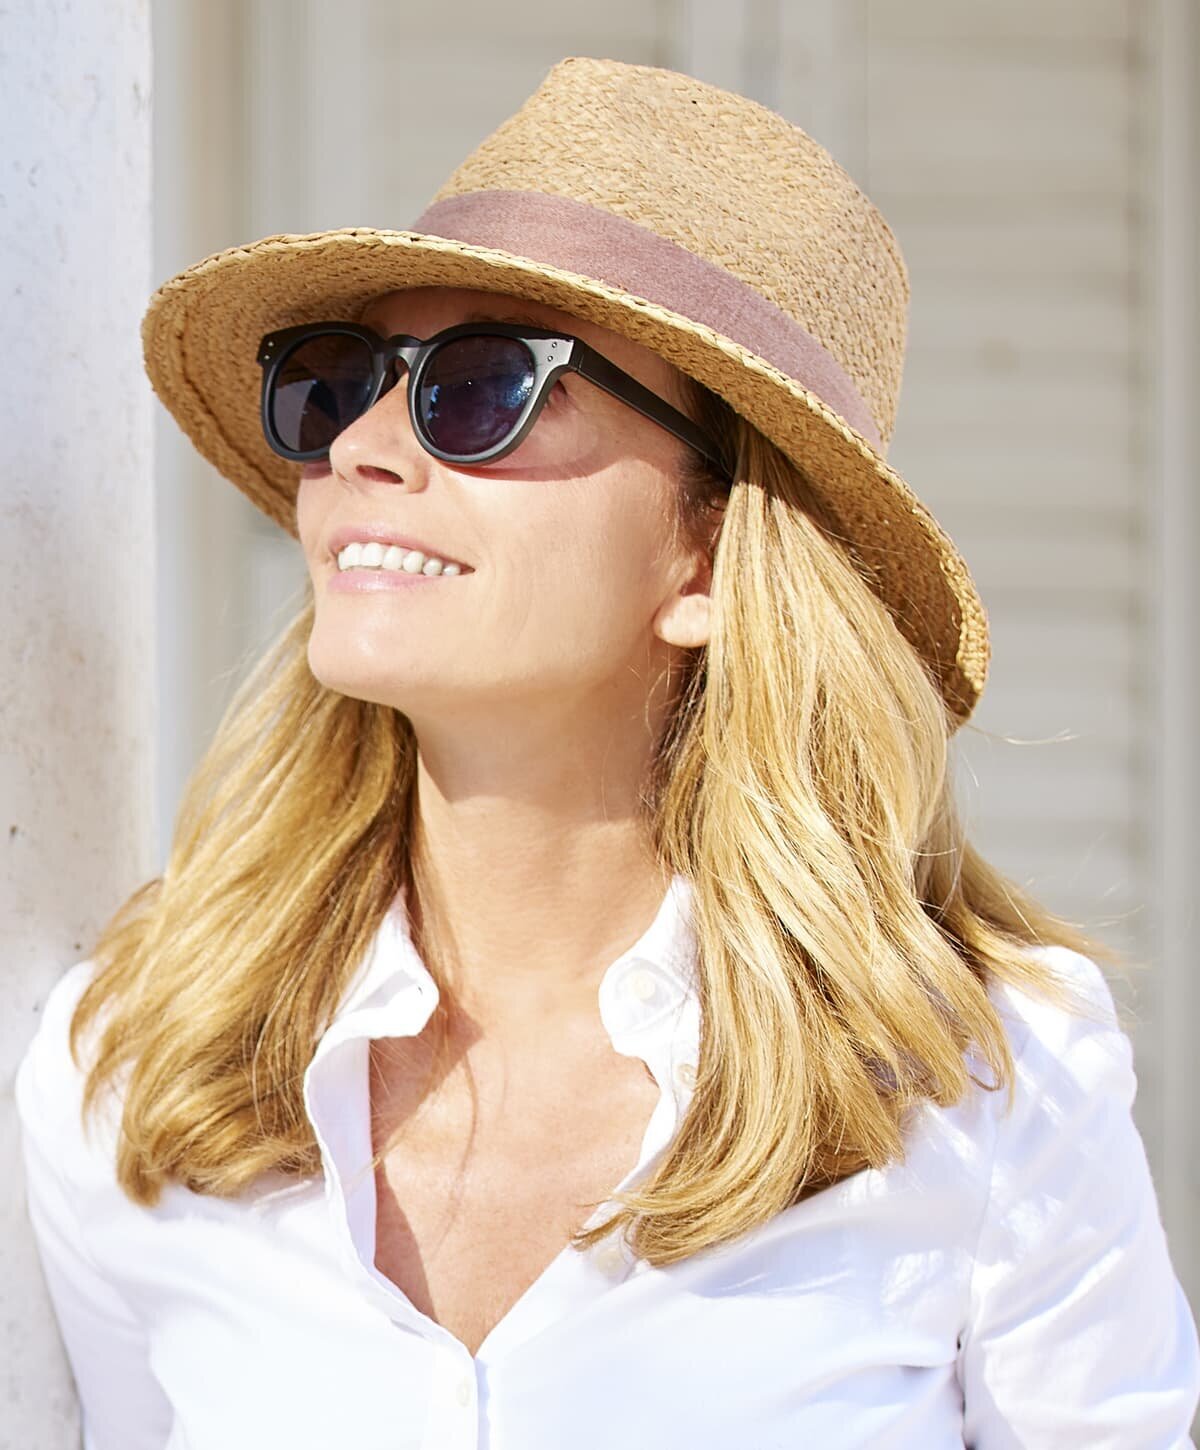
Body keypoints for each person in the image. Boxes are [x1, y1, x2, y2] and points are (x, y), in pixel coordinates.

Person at [15, 54, 1199, 1450]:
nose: (366, 449)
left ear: (706, 551)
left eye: (480, 387)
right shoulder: (132, 1073)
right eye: (335, 381)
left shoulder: (990, 1086)